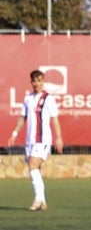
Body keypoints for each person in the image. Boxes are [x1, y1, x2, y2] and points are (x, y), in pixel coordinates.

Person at [6, 69, 63, 211]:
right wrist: (14, 133)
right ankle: (43, 201)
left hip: (43, 139)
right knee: (35, 168)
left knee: (32, 165)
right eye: (34, 81)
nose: (37, 83)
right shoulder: (28, 98)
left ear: (43, 81)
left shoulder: (48, 99)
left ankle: (38, 199)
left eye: (39, 80)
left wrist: (59, 137)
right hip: (30, 140)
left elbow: (54, 119)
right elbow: (22, 118)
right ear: (31, 82)